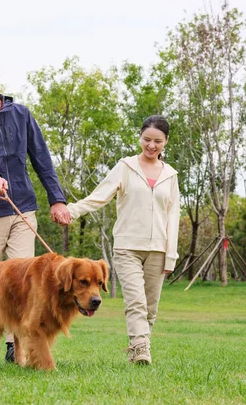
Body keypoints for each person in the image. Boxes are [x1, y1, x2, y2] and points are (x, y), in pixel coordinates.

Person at [0, 56, 71, 363]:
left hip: (23, 208)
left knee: (23, 282)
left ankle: (15, 347)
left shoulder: (21, 114)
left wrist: (56, 199)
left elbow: (41, 159)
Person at [66, 115, 180, 365]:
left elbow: (173, 216)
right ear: (140, 137)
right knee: (136, 301)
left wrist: (171, 254)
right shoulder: (126, 167)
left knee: (150, 307)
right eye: (147, 139)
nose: (151, 146)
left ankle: (138, 348)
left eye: (157, 141)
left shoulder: (171, 175)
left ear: (165, 142)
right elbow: (99, 197)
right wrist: (72, 211)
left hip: (159, 250)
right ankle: (141, 350)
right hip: (128, 246)